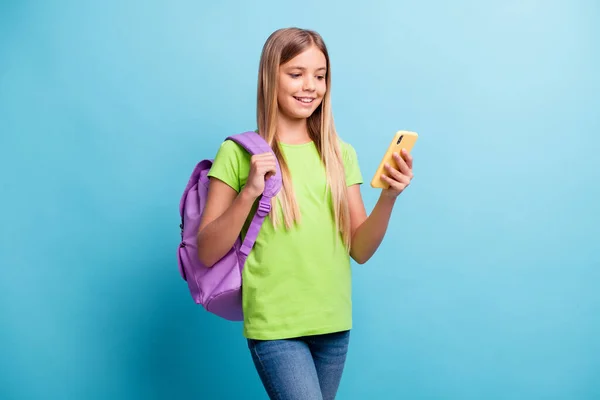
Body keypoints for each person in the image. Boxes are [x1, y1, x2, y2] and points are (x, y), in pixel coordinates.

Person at [196, 27, 414, 400]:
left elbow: (359, 249)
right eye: (296, 73)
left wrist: (390, 197)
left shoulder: (338, 154)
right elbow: (207, 250)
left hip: (333, 323)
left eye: (320, 75)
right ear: (271, 76)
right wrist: (250, 191)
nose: (310, 85)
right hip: (276, 326)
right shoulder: (237, 153)